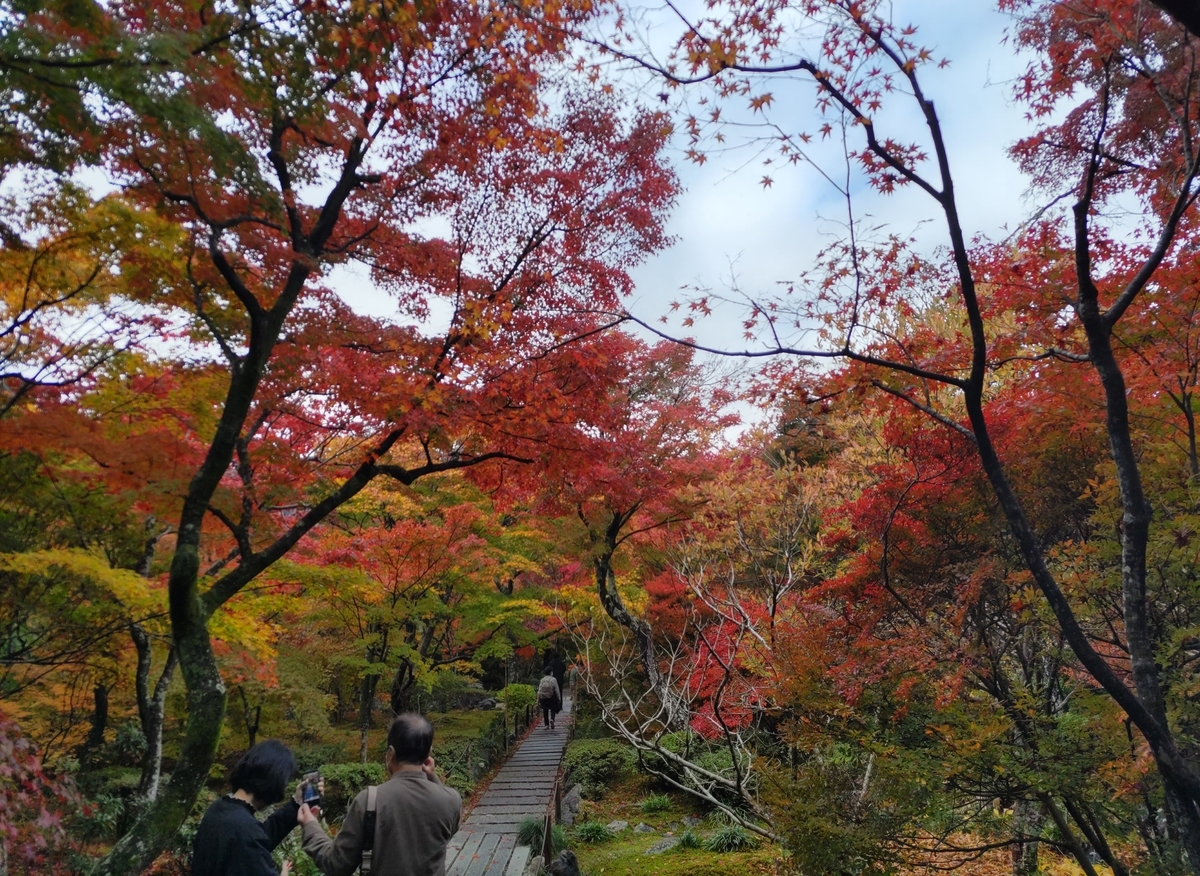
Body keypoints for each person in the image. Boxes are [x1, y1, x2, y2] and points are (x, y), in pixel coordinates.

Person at [298, 713, 461, 876]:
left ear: (390, 753)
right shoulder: (451, 800)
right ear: (427, 755)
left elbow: (336, 864)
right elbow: (447, 828)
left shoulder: (369, 800)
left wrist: (310, 826)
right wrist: (432, 777)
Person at [191, 739, 316, 876]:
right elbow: (252, 840)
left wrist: (296, 803)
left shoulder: (219, 809)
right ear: (274, 782)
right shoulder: (245, 829)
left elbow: (256, 841)